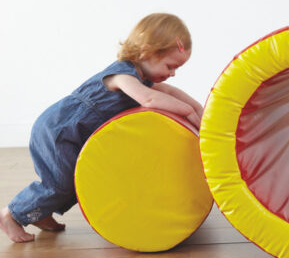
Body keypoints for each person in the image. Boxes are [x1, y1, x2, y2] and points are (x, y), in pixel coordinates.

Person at [0, 13, 203, 243]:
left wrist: (199, 110)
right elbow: (149, 99)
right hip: (59, 131)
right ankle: (11, 215)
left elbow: (170, 92)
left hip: (73, 135)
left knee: (77, 180)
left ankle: (39, 213)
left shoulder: (142, 78)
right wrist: (187, 112)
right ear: (147, 52)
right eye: (170, 66)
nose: (172, 74)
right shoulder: (122, 75)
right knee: (60, 184)